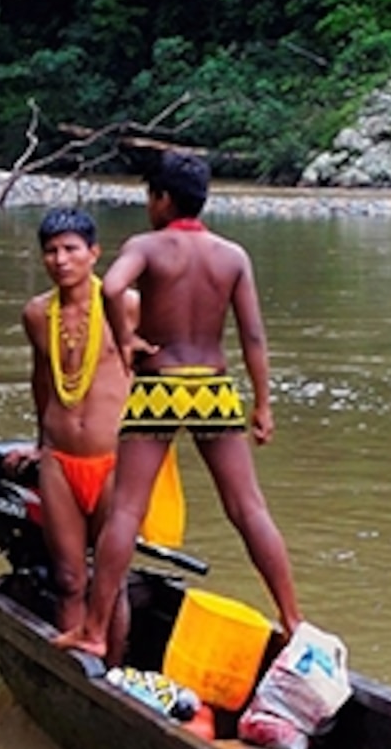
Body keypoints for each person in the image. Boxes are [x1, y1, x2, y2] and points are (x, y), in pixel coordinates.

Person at [82, 151, 302, 661]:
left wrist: (127, 339)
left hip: (161, 384)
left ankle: (94, 631)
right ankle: (293, 620)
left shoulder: (147, 246)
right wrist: (263, 404)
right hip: (213, 388)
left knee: (127, 512)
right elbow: (252, 335)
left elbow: (112, 286)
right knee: (248, 509)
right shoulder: (232, 256)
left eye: (149, 198)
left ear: (162, 199)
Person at [20, 206, 134, 656]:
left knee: (112, 582)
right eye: (50, 251)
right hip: (59, 457)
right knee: (68, 578)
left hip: (114, 459)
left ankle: (116, 678)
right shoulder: (36, 314)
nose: (60, 260)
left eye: (70, 249)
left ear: (94, 253)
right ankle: (75, 678)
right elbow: (42, 381)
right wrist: (38, 442)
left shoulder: (124, 304)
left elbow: (150, 372)